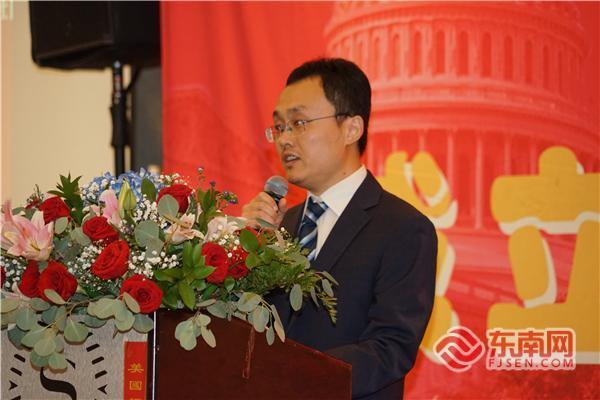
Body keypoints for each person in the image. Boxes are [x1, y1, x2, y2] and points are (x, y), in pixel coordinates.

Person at [242, 58, 437, 399]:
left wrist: (289, 377)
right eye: (279, 127)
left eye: (299, 123)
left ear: (352, 129)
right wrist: (247, 248)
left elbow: (391, 347)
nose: (284, 139)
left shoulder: (403, 228)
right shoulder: (279, 226)